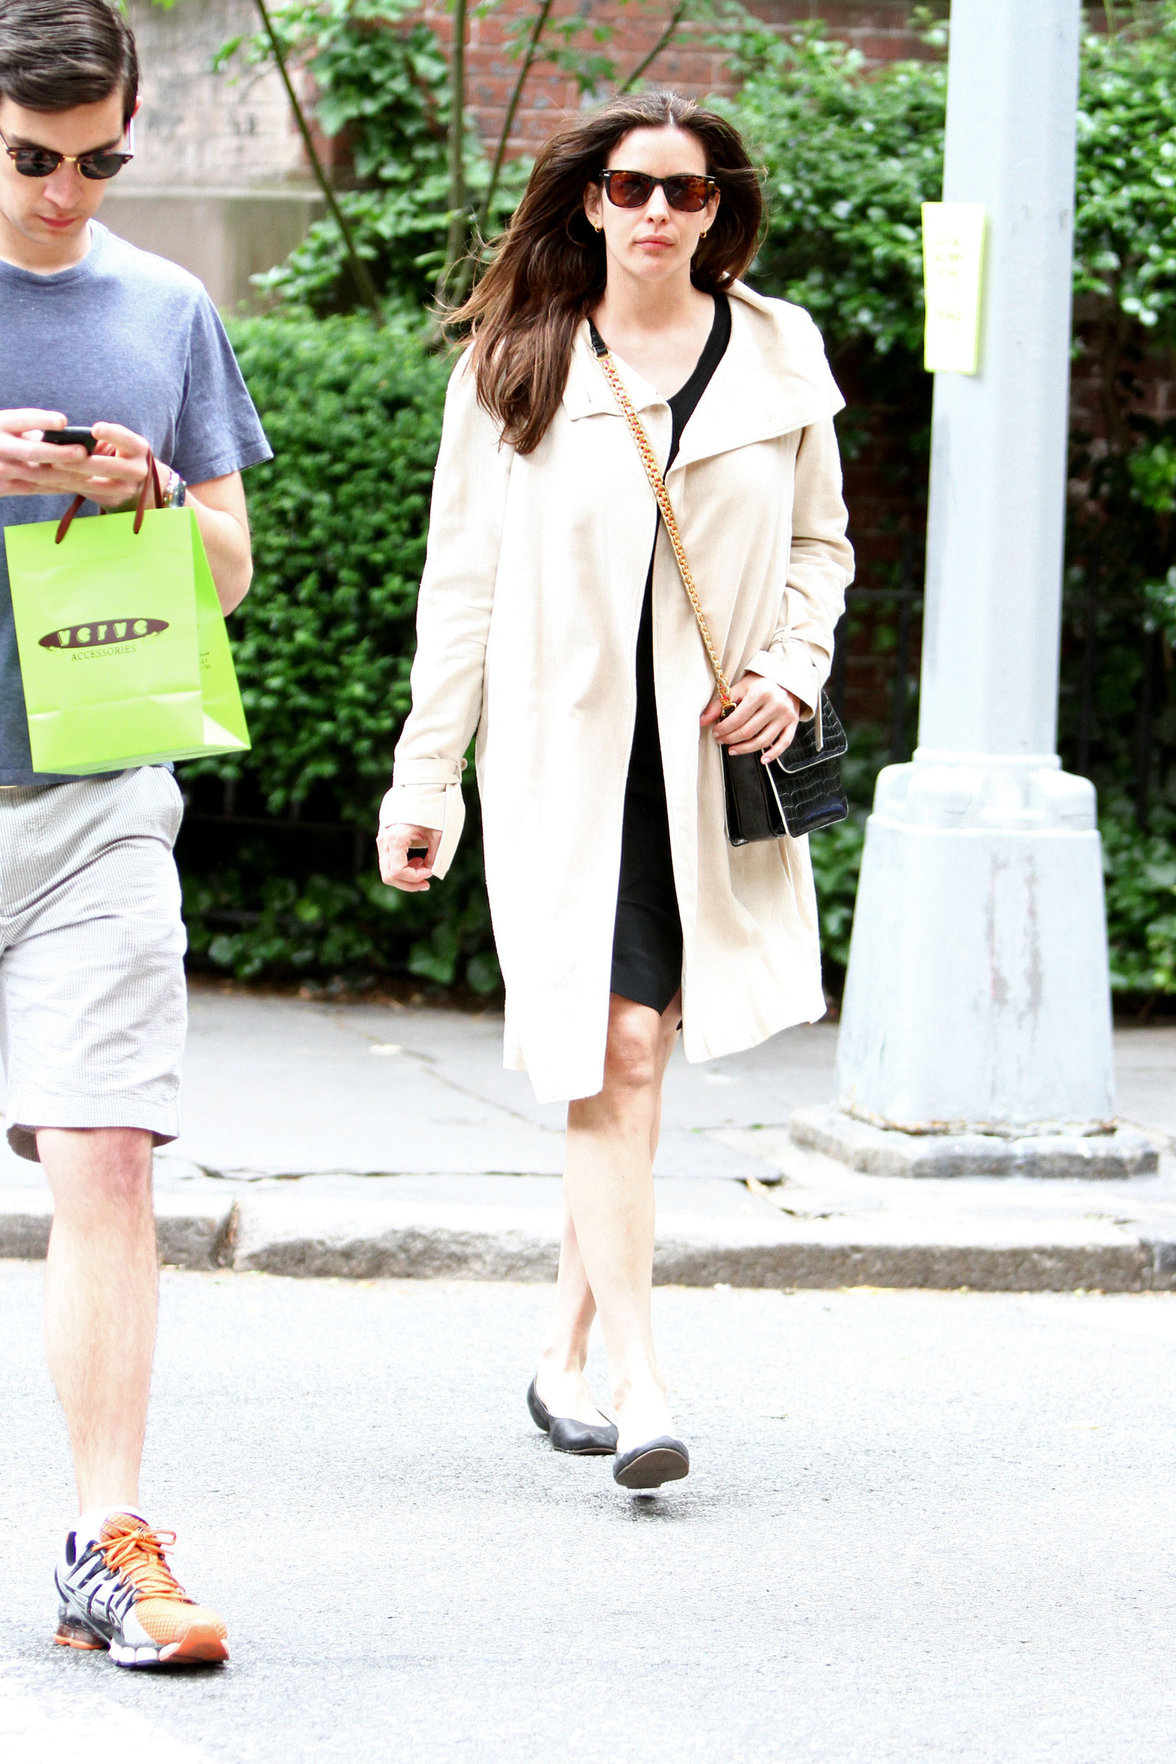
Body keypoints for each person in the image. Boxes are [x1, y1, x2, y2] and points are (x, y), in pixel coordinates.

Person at [378, 91, 852, 1491]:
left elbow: (822, 547)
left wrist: (791, 665)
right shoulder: (516, 364)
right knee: (616, 1051)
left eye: (687, 192)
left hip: (711, 759)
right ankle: (639, 1381)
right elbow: (457, 591)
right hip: (563, 762)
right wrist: (428, 780)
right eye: (635, 187)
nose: (658, 213)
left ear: (719, 210)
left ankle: (558, 1349)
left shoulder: (779, 352)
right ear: (590, 200)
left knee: (636, 1062)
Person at [0, 0, 270, 1663]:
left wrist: (155, 498)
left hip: (97, 800)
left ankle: (110, 1539)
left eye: (102, 160)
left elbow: (235, 565)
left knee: (105, 1152)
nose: (65, 194)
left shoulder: (163, 307)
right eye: (33, 158)